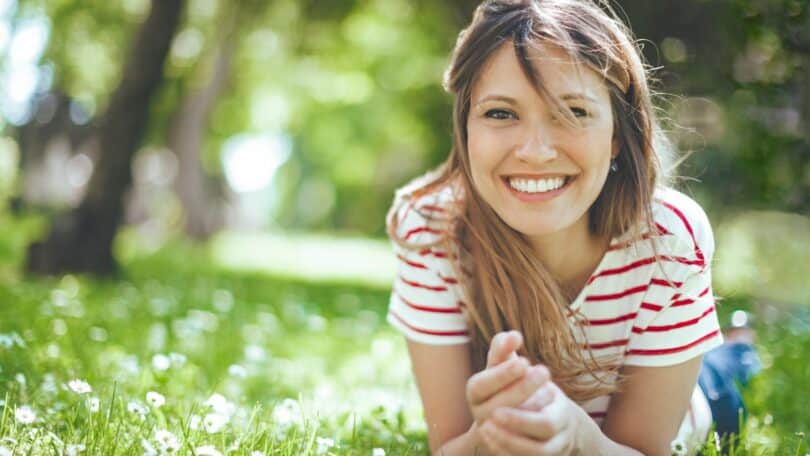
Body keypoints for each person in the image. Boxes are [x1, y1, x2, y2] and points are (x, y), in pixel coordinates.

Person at [384, 0, 759, 454]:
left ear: (618, 136)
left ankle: (739, 347)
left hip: (697, 403)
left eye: (575, 112)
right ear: (465, 129)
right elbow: (450, 447)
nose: (536, 151)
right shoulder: (431, 229)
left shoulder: (669, 236)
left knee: (724, 370)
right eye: (501, 113)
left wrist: (577, 435)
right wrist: (490, 434)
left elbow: (641, 448)